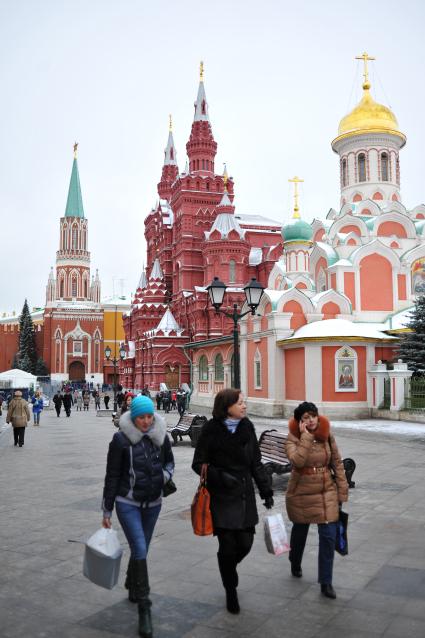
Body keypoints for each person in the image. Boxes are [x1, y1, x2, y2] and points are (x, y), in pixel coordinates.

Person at [192, 388, 273, 614]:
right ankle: (231, 590)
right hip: (222, 496)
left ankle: (228, 570)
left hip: (245, 495)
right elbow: (198, 463)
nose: (244, 406)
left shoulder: (247, 427)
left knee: (245, 544)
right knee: (227, 547)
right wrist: (220, 476)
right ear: (227, 407)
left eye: (244, 402)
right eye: (240, 403)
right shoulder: (211, 430)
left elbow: (256, 462)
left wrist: (266, 491)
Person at [102, 395, 174, 638]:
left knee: (141, 548)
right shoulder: (121, 440)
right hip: (127, 503)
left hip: (154, 503)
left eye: (149, 416)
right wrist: (107, 509)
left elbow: (170, 464)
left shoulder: (160, 436)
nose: (145, 421)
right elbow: (112, 475)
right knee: (140, 549)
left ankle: (132, 584)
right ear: (133, 417)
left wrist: (164, 476)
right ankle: (145, 607)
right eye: (141, 417)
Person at [285, 401, 348, 600]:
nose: (311, 420)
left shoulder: (327, 435)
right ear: (299, 421)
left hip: (325, 490)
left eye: (313, 416)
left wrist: (342, 490)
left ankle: (326, 582)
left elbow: (337, 462)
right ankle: (295, 561)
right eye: (306, 417)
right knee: (300, 531)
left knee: (328, 536)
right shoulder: (293, 438)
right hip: (301, 491)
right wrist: (305, 437)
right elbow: (297, 461)